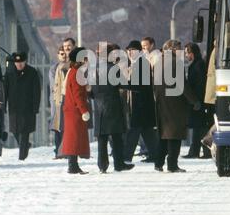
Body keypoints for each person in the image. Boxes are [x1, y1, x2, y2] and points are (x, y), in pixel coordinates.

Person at [154, 40, 201, 173]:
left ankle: (158, 163)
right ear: (172, 49)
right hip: (175, 103)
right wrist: (194, 101)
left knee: (164, 135)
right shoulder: (176, 63)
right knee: (175, 135)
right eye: (178, 48)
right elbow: (182, 85)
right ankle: (172, 165)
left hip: (161, 102)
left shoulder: (158, 62)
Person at [91, 44, 135, 173]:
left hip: (99, 106)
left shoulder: (92, 69)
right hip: (113, 105)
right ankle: (119, 164)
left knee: (102, 138)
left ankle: (102, 166)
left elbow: (90, 90)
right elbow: (123, 84)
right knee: (116, 137)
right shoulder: (113, 68)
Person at [122, 40, 159, 164]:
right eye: (128, 50)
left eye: (132, 50)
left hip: (141, 105)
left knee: (134, 131)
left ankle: (126, 157)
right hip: (142, 105)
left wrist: (124, 84)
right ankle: (155, 155)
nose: (129, 52)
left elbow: (139, 86)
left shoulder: (141, 64)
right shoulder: (138, 63)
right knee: (147, 132)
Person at [4, 52, 41, 161]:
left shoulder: (32, 72)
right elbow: (5, 90)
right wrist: (4, 104)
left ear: (25, 61)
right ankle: (25, 146)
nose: (19, 64)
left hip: (27, 108)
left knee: (24, 132)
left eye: (21, 62)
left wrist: (35, 107)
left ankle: (22, 157)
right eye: (17, 62)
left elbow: (36, 91)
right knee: (15, 131)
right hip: (14, 108)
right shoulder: (9, 73)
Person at [60, 47, 91, 174]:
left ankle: (73, 165)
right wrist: (84, 110)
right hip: (75, 110)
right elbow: (77, 94)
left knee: (74, 139)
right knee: (74, 139)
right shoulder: (77, 72)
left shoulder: (75, 71)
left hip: (72, 109)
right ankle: (72, 166)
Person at [183, 43, 208, 159]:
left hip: (198, 100)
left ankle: (196, 150)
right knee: (199, 126)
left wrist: (195, 100)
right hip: (199, 99)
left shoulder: (197, 65)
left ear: (191, 53)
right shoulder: (198, 64)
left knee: (199, 126)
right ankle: (197, 150)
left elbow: (199, 85)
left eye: (187, 53)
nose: (186, 55)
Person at [51, 46, 69, 159]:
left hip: (67, 100)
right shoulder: (54, 68)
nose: (64, 56)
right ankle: (58, 151)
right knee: (57, 128)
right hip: (58, 101)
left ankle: (64, 151)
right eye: (61, 54)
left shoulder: (70, 67)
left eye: (65, 53)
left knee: (65, 128)